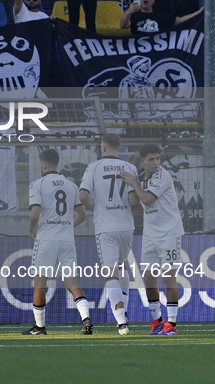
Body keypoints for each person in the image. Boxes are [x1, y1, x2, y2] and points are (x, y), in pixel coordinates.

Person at [23, 149, 92, 336]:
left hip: (46, 239)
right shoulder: (71, 185)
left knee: (39, 283)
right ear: (57, 164)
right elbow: (83, 216)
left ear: (43, 165)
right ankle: (86, 319)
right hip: (67, 239)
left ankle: (40, 327)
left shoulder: (38, 184)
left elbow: (35, 213)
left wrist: (30, 229)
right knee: (72, 282)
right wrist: (67, 226)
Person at [121, 144, 184, 335]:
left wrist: (133, 183)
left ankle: (171, 325)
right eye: (151, 159)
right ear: (143, 162)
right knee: (148, 279)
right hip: (150, 234)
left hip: (169, 233)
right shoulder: (140, 178)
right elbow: (137, 204)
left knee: (168, 278)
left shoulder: (162, 175)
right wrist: (132, 186)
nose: (156, 162)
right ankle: (157, 320)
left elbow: (147, 200)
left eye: (157, 158)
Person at [79, 134, 138, 335]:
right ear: (119, 148)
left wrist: (92, 207)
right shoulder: (130, 168)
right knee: (122, 267)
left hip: (106, 226)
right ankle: (125, 313)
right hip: (127, 226)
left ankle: (121, 322)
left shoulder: (94, 167)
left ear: (102, 148)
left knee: (110, 273)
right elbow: (133, 200)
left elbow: (82, 195)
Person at [120, 0, 203, 34]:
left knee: (165, 25)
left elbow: (178, 20)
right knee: (137, 23)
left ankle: (164, 50)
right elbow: (124, 25)